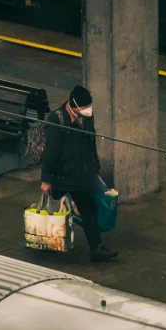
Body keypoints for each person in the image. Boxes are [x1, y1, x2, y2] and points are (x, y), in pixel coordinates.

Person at [41, 85, 118, 262]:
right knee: (55, 208)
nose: (88, 110)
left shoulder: (87, 117)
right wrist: (46, 180)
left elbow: (91, 141)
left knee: (88, 210)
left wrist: (95, 165)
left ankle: (96, 248)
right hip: (63, 174)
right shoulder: (57, 119)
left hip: (82, 174)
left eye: (89, 106)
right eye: (84, 107)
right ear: (73, 105)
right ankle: (50, 240)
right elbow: (51, 152)